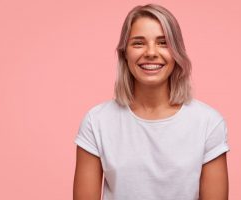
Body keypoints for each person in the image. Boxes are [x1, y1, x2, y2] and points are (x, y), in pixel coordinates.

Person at [73, 4, 230, 200]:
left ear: (176, 53)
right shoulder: (96, 122)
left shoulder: (208, 123)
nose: (151, 52)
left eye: (163, 43)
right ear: (124, 53)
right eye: (138, 43)